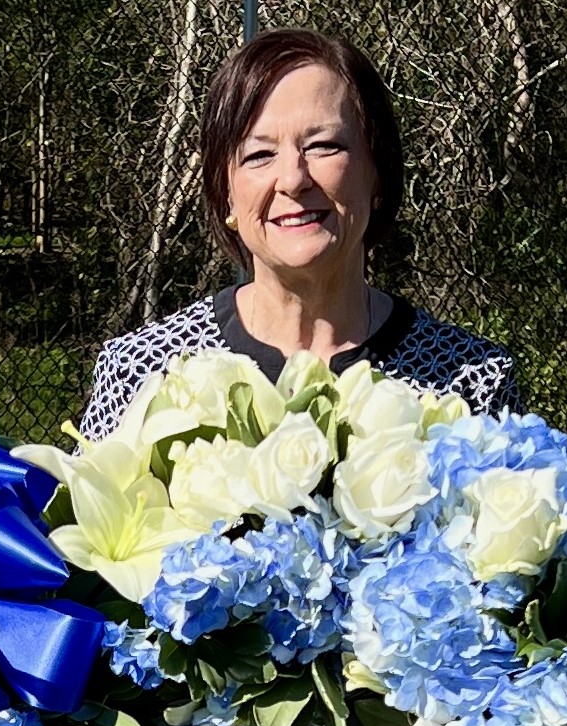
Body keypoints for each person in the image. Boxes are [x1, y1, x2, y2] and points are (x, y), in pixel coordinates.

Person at [80, 28, 519, 439]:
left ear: (378, 173)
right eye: (259, 154)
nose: (292, 179)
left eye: (323, 146)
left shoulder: (471, 382)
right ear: (225, 190)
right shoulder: (142, 373)